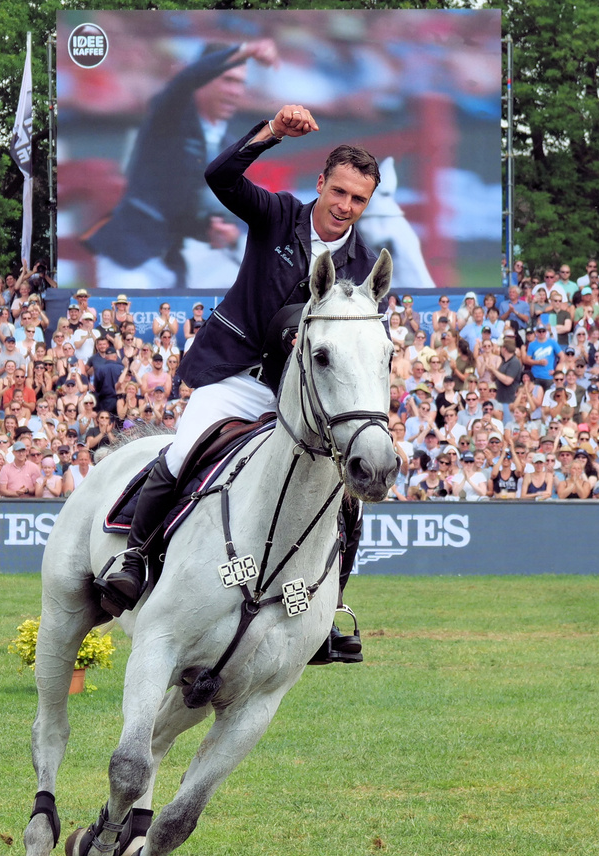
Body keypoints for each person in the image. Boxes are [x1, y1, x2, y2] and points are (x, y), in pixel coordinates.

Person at [98, 106, 382, 666]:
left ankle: (325, 612)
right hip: (237, 377)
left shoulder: (364, 263)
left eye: (359, 199)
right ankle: (134, 561)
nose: (345, 206)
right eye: (340, 191)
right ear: (321, 183)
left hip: (303, 404)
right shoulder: (278, 216)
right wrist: (272, 133)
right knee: (180, 454)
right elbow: (219, 178)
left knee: (344, 502)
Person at [85, 40, 279, 288]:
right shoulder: (170, 115)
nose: (235, 91)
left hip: (172, 264)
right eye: (227, 80)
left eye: (240, 83)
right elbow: (184, 80)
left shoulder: (230, 145)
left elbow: (201, 209)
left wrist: (221, 230)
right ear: (203, 79)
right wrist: (245, 50)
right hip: (129, 257)